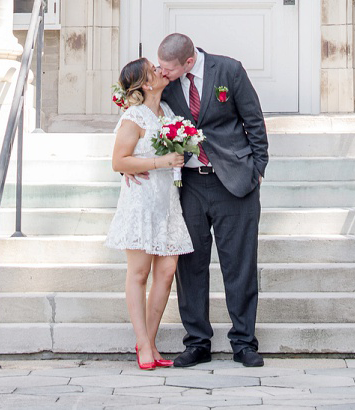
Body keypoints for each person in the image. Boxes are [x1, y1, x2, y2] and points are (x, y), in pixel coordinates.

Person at [157, 33, 268, 368]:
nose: (163, 74)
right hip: (188, 185)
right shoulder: (166, 81)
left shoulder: (229, 71)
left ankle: (244, 342)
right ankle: (197, 342)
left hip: (234, 184)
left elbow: (254, 121)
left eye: (169, 69)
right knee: (190, 266)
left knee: (240, 265)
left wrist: (257, 169)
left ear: (189, 62)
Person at [105, 56, 193, 371]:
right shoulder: (134, 117)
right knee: (139, 273)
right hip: (140, 202)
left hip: (166, 202)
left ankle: (150, 340)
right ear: (145, 83)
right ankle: (143, 343)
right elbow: (119, 162)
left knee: (167, 271)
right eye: (153, 69)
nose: (160, 70)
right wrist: (161, 162)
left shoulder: (167, 112)